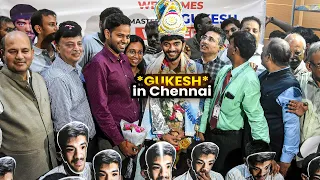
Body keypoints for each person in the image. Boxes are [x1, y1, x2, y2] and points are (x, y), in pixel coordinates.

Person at [200, 31, 270, 176]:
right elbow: (210, 99)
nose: (227, 47)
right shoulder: (225, 70)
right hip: (210, 135)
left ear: (235, 50)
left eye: (230, 44)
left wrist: (263, 151)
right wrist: (202, 128)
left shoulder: (249, 80)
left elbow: (256, 116)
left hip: (230, 142)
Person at [141, 0, 203, 154]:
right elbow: (151, 105)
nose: (172, 49)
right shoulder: (152, 69)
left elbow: (199, 104)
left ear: (183, 43)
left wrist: (187, 131)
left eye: (176, 43)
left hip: (187, 134)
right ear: (161, 45)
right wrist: (163, 133)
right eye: (167, 44)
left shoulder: (196, 68)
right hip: (161, 135)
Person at [0, 31, 57, 179]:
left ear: (32, 53)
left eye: (25, 51)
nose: (20, 56)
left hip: (51, 169)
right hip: (21, 173)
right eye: (13, 51)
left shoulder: (39, 79)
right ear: (2, 54)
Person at [83, 13, 140, 158]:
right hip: (112, 141)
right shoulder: (98, 64)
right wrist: (120, 142)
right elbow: (100, 108)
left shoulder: (124, 59)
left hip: (131, 134)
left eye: (127, 36)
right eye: (120, 35)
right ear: (107, 33)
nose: (125, 40)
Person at [42, 21, 97, 160]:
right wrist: (75, 153)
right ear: (57, 47)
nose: (77, 48)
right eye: (69, 45)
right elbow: (63, 124)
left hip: (87, 140)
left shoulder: (76, 67)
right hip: (77, 147)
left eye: (79, 43)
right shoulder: (57, 79)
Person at [259, 38, 302, 177]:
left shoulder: (289, 86)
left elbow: (292, 126)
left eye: (263, 51)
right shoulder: (265, 74)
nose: (260, 54)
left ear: (268, 57)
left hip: (275, 153)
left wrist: (285, 160)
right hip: (260, 148)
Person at [30, 9, 58, 73]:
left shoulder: (61, 51)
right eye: (51, 24)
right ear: (38, 29)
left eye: (56, 24)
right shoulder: (29, 58)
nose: (56, 28)